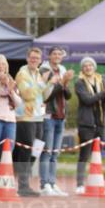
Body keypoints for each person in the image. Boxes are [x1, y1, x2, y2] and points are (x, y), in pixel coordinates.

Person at [75, 57, 105, 195]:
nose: (88, 67)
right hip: (86, 124)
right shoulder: (79, 83)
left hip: (100, 123)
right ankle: (79, 184)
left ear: (94, 67)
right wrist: (104, 92)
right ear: (82, 69)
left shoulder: (101, 81)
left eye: (90, 65)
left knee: (97, 155)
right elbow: (87, 100)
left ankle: (97, 183)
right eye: (85, 65)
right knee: (84, 155)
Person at [39, 46, 74, 196]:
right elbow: (46, 95)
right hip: (48, 116)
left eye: (60, 54)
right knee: (47, 152)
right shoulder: (44, 70)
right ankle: (44, 184)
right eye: (54, 54)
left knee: (55, 153)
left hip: (61, 116)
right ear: (49, 56)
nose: (57, 56)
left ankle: (52, 183)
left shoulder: (63, 70)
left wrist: (65, 84)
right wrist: (60, 84)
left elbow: (68, 96)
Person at [14, 47, 48, 196]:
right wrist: (41, 86)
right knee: (26, 150)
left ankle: (24, 178)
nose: (34, 60)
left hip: (39, 116)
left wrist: (46, 86)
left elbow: (43, 95)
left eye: (37, 58)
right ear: (27, 58)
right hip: (25, 117)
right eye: (32, 58)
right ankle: (23, 185)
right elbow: (27, 94)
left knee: (38, 148)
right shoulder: (22, 74)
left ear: (40, 61)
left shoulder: (38, 75)